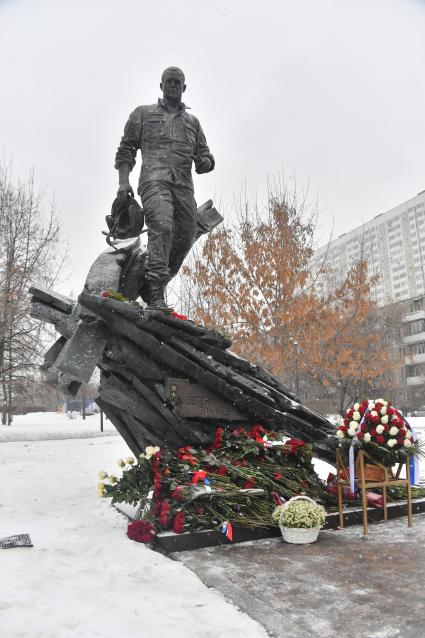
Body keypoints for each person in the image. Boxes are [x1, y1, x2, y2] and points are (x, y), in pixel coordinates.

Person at [114, 66, 215, 308]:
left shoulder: (193, 123)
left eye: (177, 82)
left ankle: (152, 282)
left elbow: (206, 157)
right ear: (161, 86)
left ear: (184, 87)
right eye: (168, 81)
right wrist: (123, 182)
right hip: (153, 181)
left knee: (186, 235)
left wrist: (205, 163)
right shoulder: (142, 114)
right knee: (162, 225)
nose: (172, 85)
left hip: (183, 187)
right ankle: (157, 291)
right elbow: (126, 150)